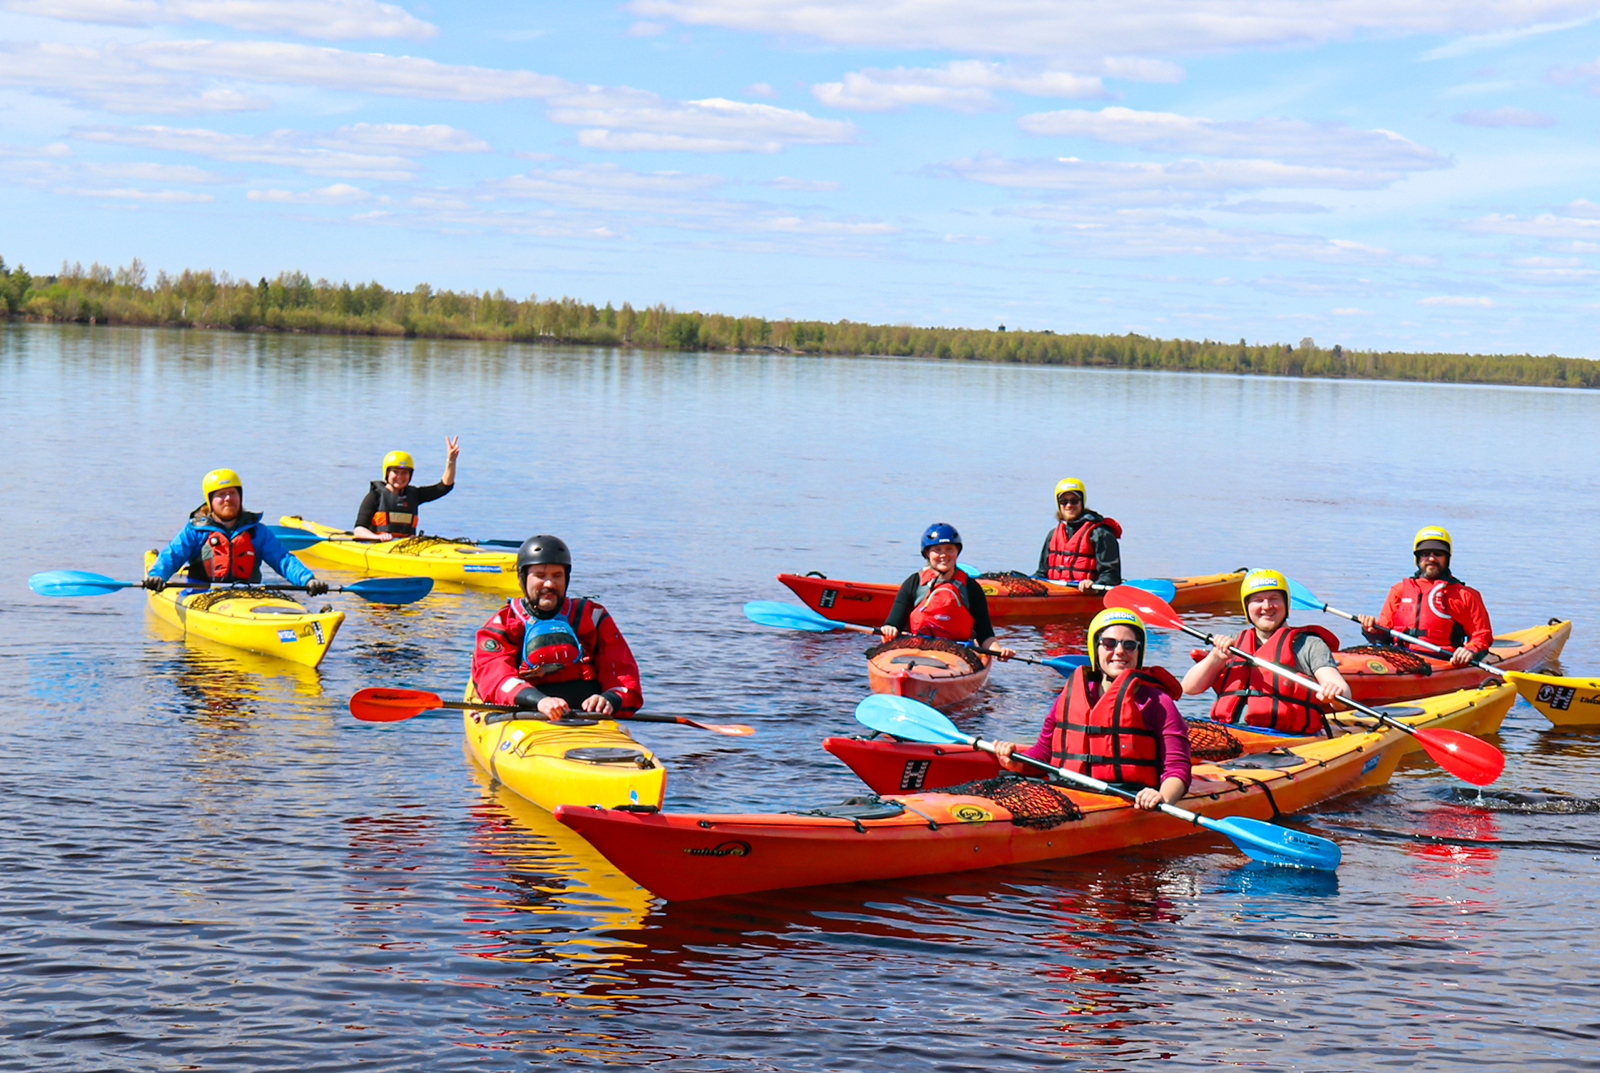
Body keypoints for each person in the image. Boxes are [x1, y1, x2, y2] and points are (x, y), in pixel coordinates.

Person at [993, 607, 1191, 810]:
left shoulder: (1157, 701)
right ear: (1095, 649)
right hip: (1064, 790)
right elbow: (1044, 753)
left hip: (1126, 795)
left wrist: (1161, 797)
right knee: (1006, 776)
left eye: (1129, 645)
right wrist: (1016, 763)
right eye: (1109, 644)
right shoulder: (1070, 694)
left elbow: (1178, 769)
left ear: (1139, 652)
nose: (1120, 651)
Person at [471, 535, 643, 719]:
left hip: (587, 715)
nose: (550, 584)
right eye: (540, 576)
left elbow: (624, 677)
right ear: (523, 578)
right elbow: (496, 678)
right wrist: (540, 701)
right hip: (527, 712)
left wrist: (609, 699)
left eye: (557, 576)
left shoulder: (593, 618)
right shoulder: (503, 624)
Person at [1182, 568, 1349, 736]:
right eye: (1258, 600)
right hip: (1229, 734)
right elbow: (1189, 688)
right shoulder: (1232, 643)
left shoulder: (1309, 644)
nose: (1266, 606)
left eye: (1274, 599)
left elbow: (1342, 691)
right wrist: (1215, 657)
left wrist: (1334, 692)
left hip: (1286, 739)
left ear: (1286, 604)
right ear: (1247, 607)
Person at [145, 468, 327, 594]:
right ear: (210, 501)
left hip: (247, 595)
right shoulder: (195, 531)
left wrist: (308, 580)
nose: (227, 499)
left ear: (240, 496)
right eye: (220, 495)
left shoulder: (257, 532)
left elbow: (283, 560)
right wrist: (156, 576)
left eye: (232, 493)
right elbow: (172, 556)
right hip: (201, 595)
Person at [1357, 526, 1494, 667]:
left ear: (1447, 558)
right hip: (1399, 657)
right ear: (1417, 558)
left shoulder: (1466, 595)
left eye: (1438, 553)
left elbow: (1482, 636)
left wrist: (1470, 650)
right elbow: (1383, 634)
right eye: (1425, 553)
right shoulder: (1399, 590)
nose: (1431, 558)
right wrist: (1370, 628)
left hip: (1442, 661)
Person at [879, 523, 1015, 660]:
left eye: (950, 549)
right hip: (917, 649)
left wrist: (999, 651)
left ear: (957, 552)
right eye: (937, 550)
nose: (944, 555)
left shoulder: (970, 587)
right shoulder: (914, 583)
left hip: (958, 653)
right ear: (927, 553)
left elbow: (985, 635)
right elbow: (893, 623)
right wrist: (889, 629)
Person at [353, 437, 460, 541]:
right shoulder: (375, 496)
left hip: (405, 546)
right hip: (378, 546)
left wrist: (451, 461)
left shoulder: (415, 494)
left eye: (404, 473)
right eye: (395, 472)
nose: (400, 477)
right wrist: (378, 537)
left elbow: (444, 487)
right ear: (387, 474)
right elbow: (359, 530)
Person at [1033, 478, 1121, 592]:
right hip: (1055, 591)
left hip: (1086, 594)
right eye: (1064, 501)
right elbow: (1042, 572)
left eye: (1074, 500)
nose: (1069, 505)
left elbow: (1111, 575)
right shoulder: (1052, 535)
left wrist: (1095, 584)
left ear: (1082, 502)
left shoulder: (1100, 534)